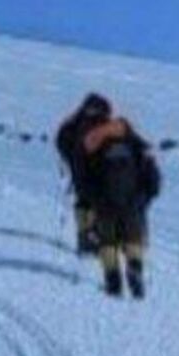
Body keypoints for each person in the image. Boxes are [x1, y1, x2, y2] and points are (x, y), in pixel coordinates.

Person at [80, 108, 160, 298]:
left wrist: (94, 202)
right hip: (132, 204)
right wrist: (144, 199)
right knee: (133, 241)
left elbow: (86, 181)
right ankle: (134, 270)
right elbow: (153, 179)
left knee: (108, 243)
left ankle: (113, 282)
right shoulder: (137, 147)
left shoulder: (98, 149)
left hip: (105, 205)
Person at [55, 94, 112, 255]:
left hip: (82, 168)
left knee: (86, 201)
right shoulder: (96, 123)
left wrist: (69, 159)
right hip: (89, 170)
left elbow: (62, 141)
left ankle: (87, 238)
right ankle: (90, 239)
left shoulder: (76, 122)